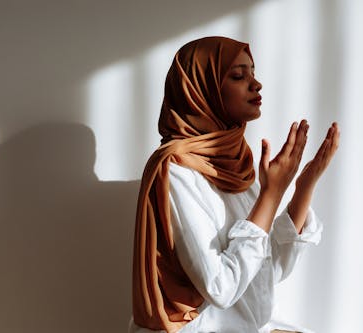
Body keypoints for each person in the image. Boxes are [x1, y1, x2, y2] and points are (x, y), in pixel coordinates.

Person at [130, 36, 339, 333]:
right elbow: (220, 288)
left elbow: (265, 273)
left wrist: (304, 185)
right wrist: (271, 193)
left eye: (253, 73)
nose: (256, 84)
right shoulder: (176, 168)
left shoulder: (234, 162)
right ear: (202, 91)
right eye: (238, 76)